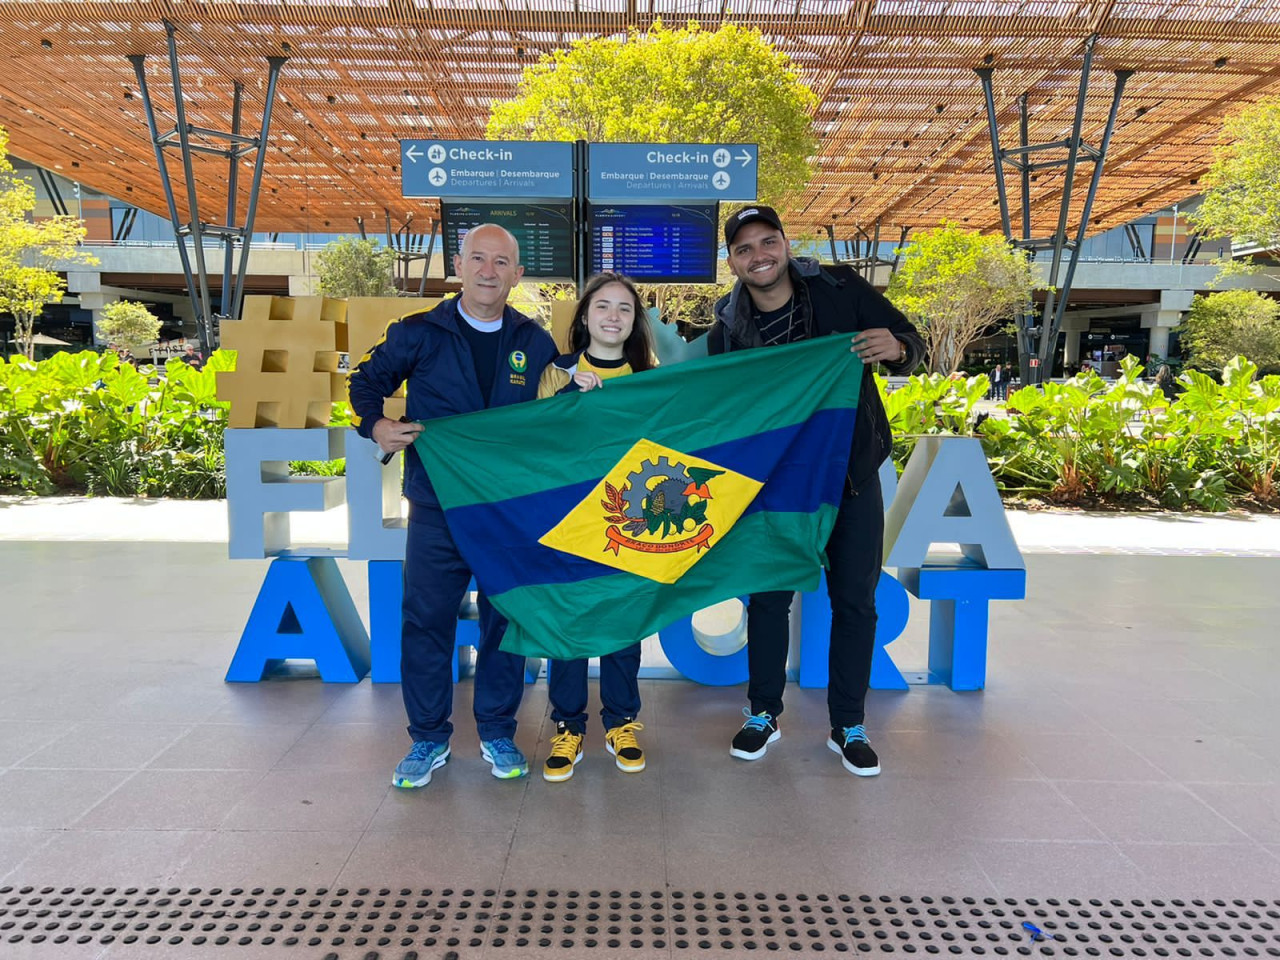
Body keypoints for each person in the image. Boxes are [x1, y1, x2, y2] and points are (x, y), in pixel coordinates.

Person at [708, 205, 924, 777]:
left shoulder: (839, 287)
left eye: (767, 241)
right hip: (775, 488)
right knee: (770, 601)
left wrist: (898, 348)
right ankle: (762, 713)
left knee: (855, 600)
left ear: (784, 244)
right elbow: (717, 409)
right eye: (744, 248)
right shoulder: (726, 327)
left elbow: (910, 340)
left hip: (850, 477)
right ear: (732, 262)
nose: (759, 255)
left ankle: (848, 724)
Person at [347, 224, 558, 789]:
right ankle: (427, 738)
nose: (489, 271)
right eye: (479, 259)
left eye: (502, 262)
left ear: (517, 275)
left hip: (506, 513)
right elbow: (364, 383)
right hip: (437, 508)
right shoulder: (419, 332)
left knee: (504, 621)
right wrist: (377, 424)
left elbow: (556, 418)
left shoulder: (536, 344)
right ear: (459, 267)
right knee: (426, 622)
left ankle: (496, 730)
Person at [535, 272, 657, 782]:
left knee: (623, 622)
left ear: (634, 321)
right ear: (584, 316)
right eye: (603, 306)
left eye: (624, 308)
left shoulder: (653, 378)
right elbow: (531, 436)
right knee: (569, 621)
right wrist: (568, 392)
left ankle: (622, 721)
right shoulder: (553, 372)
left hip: (627, 520)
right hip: (565, 520)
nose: (613, 316)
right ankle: (568, 725)